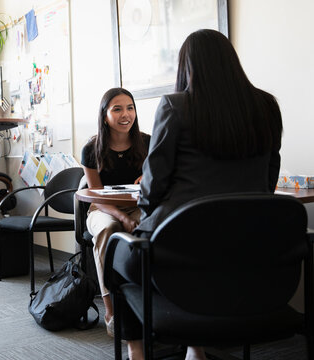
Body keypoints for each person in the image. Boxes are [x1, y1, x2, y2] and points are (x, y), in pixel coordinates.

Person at [119, 29, 282, 360]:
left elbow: (153, 183)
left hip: (181, 247)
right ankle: (196, 346)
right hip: (249, 250)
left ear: (187, 67)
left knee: (117, 258)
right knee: (206, 267)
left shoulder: (175, 106)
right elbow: (268, 181)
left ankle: (141, 351)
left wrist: (145, 218)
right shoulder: (267, 106)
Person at [80, 87, 150, 337]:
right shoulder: (92, 149)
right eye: (117, 109)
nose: (125, 114)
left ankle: (149, 305)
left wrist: (150, 177)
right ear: (104, 114)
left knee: (153, 228)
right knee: (109, 229)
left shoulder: (148, 142)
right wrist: (120, 216)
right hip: (103, 209)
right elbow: (96, 195)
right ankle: (111, 310)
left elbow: (162, 180)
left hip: (139, 207)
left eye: (130, 108)